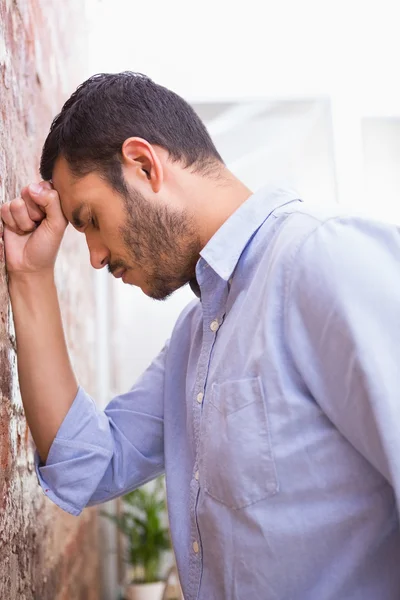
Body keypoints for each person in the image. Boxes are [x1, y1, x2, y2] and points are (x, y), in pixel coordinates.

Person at [2, 72, 400, 600]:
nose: (95, 257)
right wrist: (29, 278)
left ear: (144, 165)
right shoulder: (195, 337)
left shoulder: (322, 259)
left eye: (90, 219)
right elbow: (88, 466)